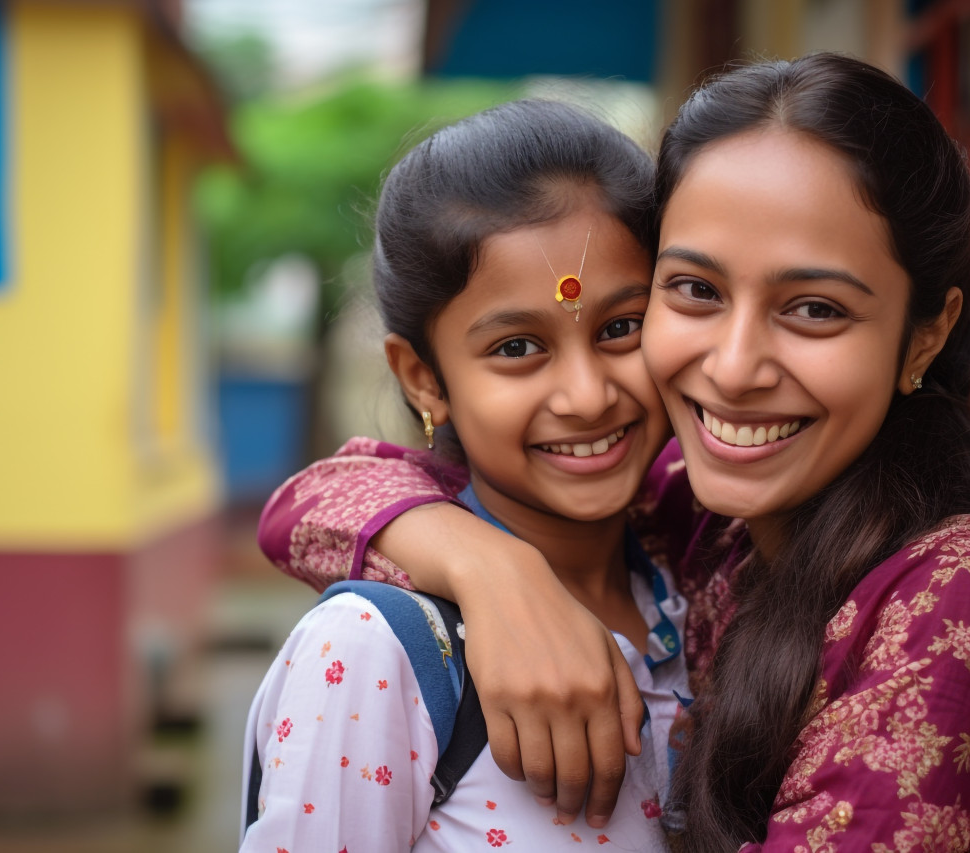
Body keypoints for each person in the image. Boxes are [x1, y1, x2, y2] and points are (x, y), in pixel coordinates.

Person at [258, 55, 970, 851]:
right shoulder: (702, 532)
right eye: (696, 289)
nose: (735, 369)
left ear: (924, 334)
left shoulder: (966, 592)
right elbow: (311, 501)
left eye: (814, 308)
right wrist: (494, 572)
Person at [240, 99, 690, 851]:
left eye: (621, 327)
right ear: (423, 379)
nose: (587, 395)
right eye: (517, 348)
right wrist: (496, 573)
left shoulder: (700, 574)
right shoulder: (372, 653)